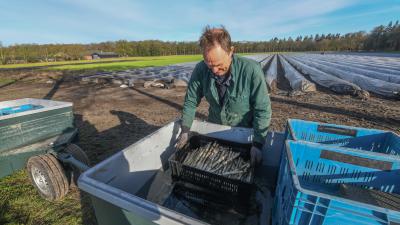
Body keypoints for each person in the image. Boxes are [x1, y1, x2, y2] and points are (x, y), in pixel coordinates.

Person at [175, 25, 272, 167]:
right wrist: (185, 130)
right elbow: (190, 101)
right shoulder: (201, 70)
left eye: (219, 64)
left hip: (244, 133)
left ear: (231, 51)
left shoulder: (251, 71)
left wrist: (257, 144)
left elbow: (262, 109)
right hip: (215, 130)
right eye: (209, 64)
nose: (214, 70)